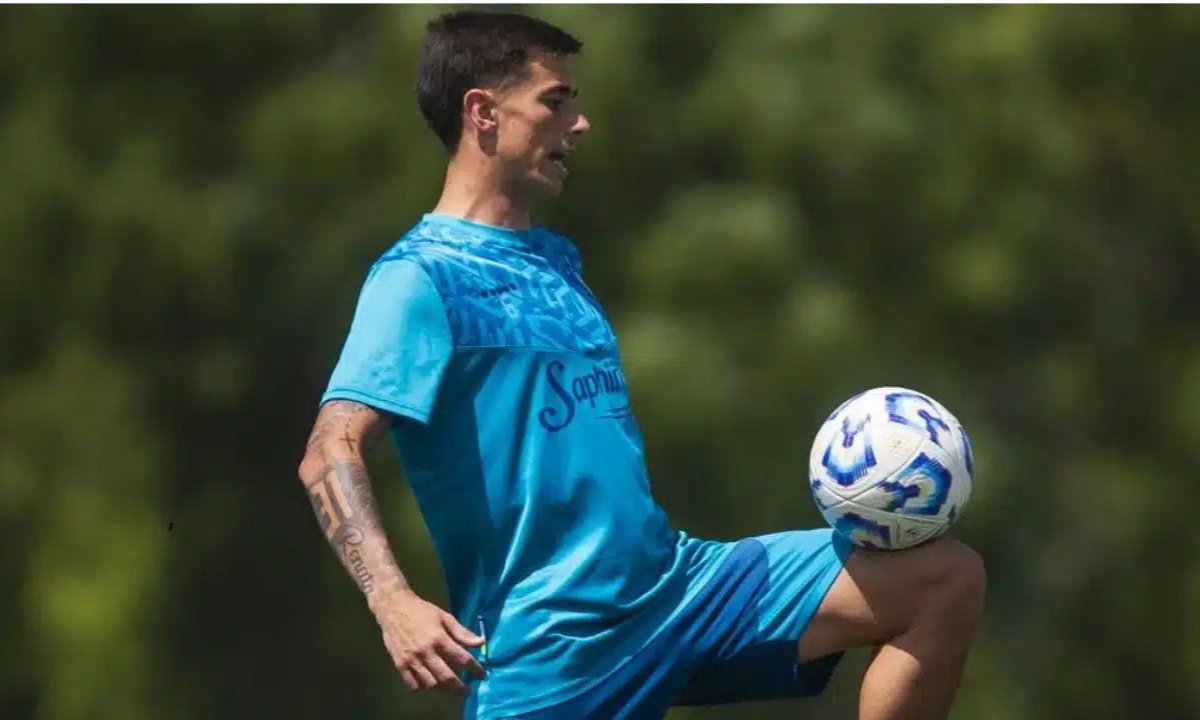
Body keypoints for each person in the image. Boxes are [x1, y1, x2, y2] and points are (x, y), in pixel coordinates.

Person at [297, 10, 986, 720]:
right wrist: (393, 603)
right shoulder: (417, 279)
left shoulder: (557, 261)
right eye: (556, 101)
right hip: (554, 654)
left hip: (673, 591)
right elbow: (329, 450)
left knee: (943, 579)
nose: (580, 122)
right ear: (483, 113)